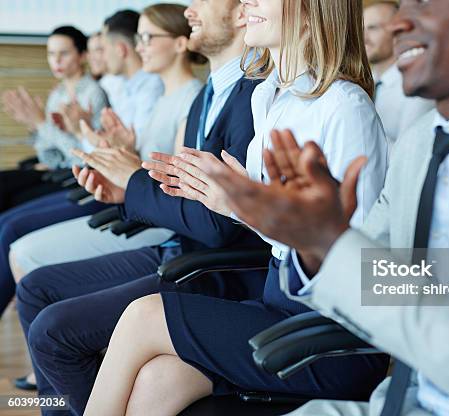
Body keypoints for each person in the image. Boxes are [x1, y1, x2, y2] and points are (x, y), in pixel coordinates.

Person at [175, 0, 449, 415]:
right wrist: (311, 241)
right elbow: (376, 281)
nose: (400, 21)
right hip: (400, 400)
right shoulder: (421, 143)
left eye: (424, 1)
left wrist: (332, 244)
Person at [82, 0, 389, 414]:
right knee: (157, 382)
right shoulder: (268, 97)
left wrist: (242, 205)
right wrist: (228, 200)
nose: (249, 2)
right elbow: (276, 227)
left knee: (143, 316)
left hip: (331, 333)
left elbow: (359, 265)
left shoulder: (345, 108)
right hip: (278, 303)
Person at [15, 0, 266, 413]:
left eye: (203, 1)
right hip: (181, 246)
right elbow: (186, 191)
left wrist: (133, 180)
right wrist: (125, 184)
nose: (190, 10)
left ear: (243, 13)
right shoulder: (207, 95)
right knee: (34, 290)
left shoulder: (250, 95)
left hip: (214, 266)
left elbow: (219, 222)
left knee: (52, 332)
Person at [8, 3, 205, 283]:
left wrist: (117, 153)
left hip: (153, 219)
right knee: (20, 248)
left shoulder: (191, 98)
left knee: (23, 253)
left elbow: (173, 182)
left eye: (148, 38)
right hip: (134, 204)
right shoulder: (166, 96)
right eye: (139, 39)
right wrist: (121, 148)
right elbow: (146, 163)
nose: (139, 47)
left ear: (180, 44)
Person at [0, 26, 108, 211]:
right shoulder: (57, 94)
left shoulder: (93, 94)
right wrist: (35, 126)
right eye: (51, 54)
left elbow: (85, 156)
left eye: (64, 53)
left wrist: (41, 123)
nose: (56, 60)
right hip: (57, 168)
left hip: (79, 174)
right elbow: (49, 152)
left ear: (82, 56)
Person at [364, 0, 432, 147]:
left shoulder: (416, 89)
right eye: (361, 29)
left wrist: (361, 130)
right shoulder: (362, 83)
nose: (364, 38)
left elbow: (409, 155)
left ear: (397, 31)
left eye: (373, 28)